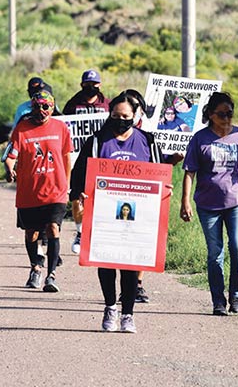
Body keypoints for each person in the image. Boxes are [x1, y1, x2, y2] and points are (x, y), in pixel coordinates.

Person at [69, 91, 170, 333]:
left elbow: (159, 174)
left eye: (125, 116)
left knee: (130, 264)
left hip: (137, 213)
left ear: (136, 116)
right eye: (115, 115)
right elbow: (79, 173)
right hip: (104, 212)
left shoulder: (148, 141)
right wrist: (78, 197)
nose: (120, 119)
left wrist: (166, 191)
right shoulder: (97, 141)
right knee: (106, 261)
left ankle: (128, 314)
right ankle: (110, 307)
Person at [179, 91, 238, 316]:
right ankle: (218, 301)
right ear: (210, 114)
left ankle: (236, 296)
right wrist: (185, 200)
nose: (227, 118)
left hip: (237, 201)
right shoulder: (200, 138)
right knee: (215, 252)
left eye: (230, 113)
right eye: (222, 114)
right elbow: (190, 171)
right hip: (208, 205)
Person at [5, 90, 73, 293]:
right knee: (31, 233)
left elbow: (67, 157)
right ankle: (35, 266)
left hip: (56, 190)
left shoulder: (61, 128)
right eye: (37, 106)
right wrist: (10, 168)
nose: (41, 110)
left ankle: (51, 275)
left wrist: (66, 184)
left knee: (53, 228)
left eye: (46, 106)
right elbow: (11, 155)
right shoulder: (22, 129)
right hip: (29, 192)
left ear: (52, 108)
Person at [64, 70, 111, 256]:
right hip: (78, 158)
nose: (91, 87)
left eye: (94, 83)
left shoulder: (107, 104)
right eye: (87, 83)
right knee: (76, 196)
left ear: (99, 84)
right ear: (82, 84)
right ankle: (80, 232)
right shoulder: (72, 104)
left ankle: (100, 233)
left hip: (101, 158)